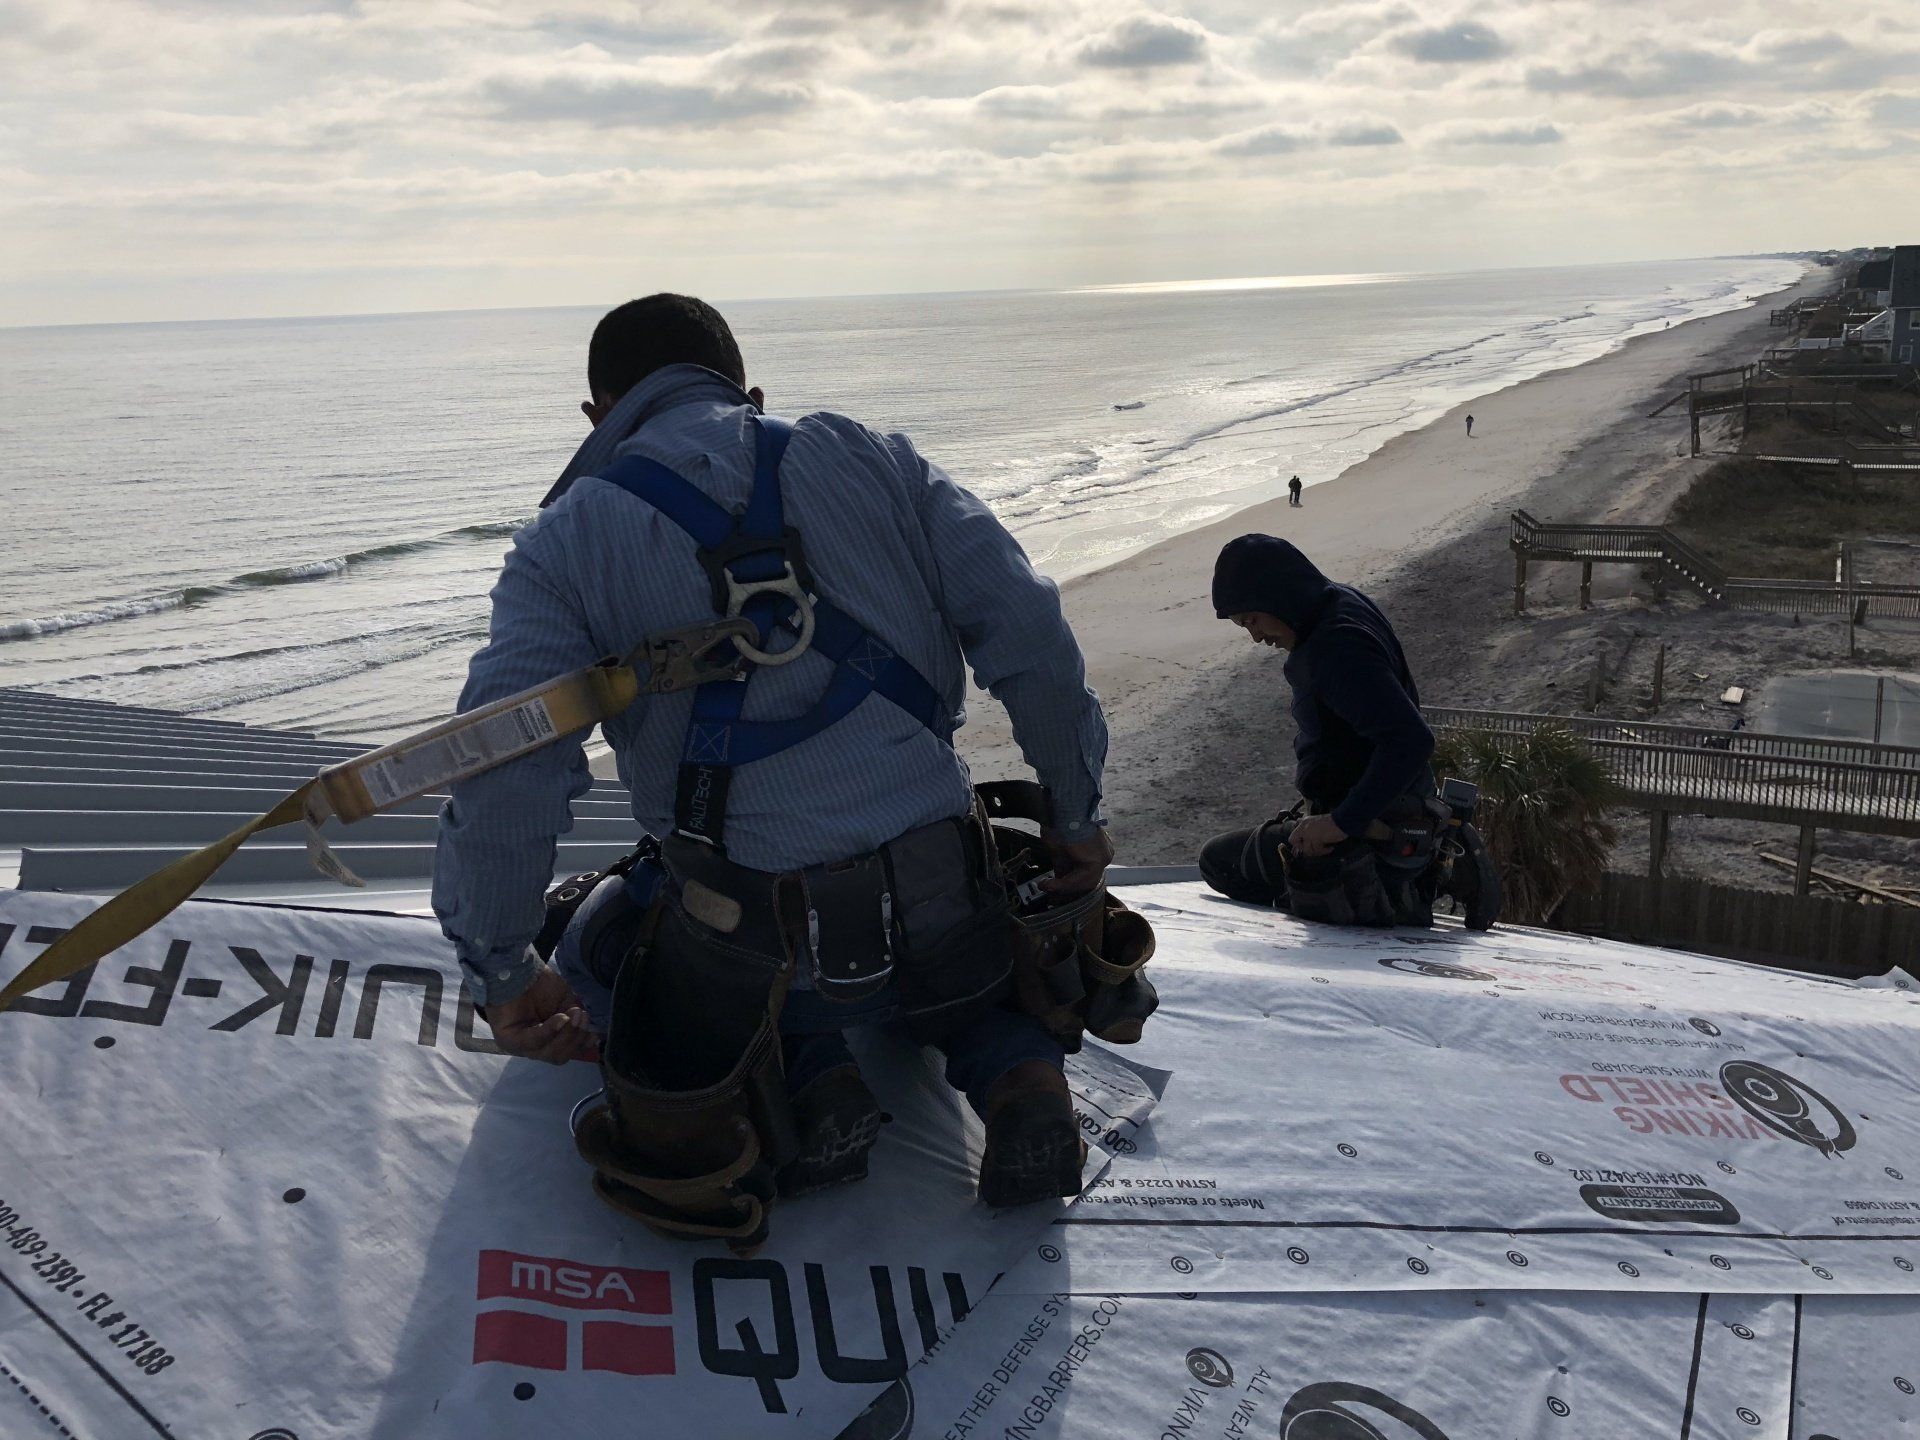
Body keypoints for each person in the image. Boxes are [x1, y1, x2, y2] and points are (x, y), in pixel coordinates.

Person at [433, 294, 1114, 1226]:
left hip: (754, 938)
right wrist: (1075, 814)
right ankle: (1020, 1077)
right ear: (748, 390)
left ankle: (808, 1072)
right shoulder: (879, 460)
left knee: (601, 931)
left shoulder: (565, 544)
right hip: (945, 903)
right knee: (966, 970)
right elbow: (1033, 634)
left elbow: (504, 766)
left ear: (596, 419)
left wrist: (504, 974)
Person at [1196, 534, 1498, 929]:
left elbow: (1412, 740)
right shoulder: (1339, 601)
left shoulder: (1336, 649)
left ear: (1277, 596)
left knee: (1218, 863)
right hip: (1396, 801)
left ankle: (1390, 890)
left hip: (1370, 815)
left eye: (1252, 619)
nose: (1255, 636)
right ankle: (1406, 866)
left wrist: (1340, 824)